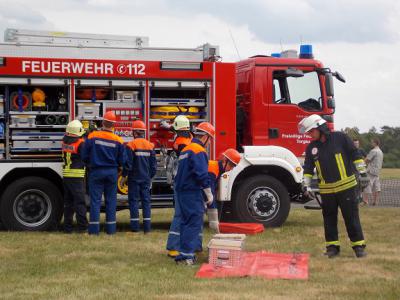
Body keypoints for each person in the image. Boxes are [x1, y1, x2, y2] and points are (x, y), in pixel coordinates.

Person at [298, 114, 368, 258]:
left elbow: (355, 154)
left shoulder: (340, 138)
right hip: (327, 191)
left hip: (347, 187)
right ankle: (332, 248)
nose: (309, 135)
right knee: (329, 219)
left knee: (351, 218)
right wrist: (307, 185)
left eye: (311, 131)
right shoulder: (311, 148)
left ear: (320, 128)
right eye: (308, 133)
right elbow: (308, 168)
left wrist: (363, 172)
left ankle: (358, 246)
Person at [174, 122, 215, 265]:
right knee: (193, 223)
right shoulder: (199, 150)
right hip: (192, 192)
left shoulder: (187, 149)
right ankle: (187, 257)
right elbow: (202, 175)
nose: (210, 143)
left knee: (185, 222)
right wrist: (209, 194)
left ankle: (184, 254)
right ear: (205, 137)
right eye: (210, 139)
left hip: (183, 191)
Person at [81, 111, 127, 235]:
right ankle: (111, 230)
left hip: (95, 171)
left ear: (102, 122)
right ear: (113, 125)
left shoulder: (92, 136)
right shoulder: (119, 140)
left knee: (95, 201)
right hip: (112, 173)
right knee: (111, 201)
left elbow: (84, 155)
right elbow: (123, 160)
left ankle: (94, 231)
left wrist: (89, 164)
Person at [164, 115, 194, 257]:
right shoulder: (190, 138)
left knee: (179, 214)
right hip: (188, 182)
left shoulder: (179, 142)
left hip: (180, 182)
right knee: (187, 214)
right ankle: (182, 246)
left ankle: (174, 247)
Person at [122, 120, 157, 233]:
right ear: (143, 132)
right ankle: (147, 228)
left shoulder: (131, 145)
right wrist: (149, 176)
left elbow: (128, 164)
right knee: (146, 202)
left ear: (134, 132)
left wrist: (124, 176)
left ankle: (135, 228)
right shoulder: (150, 145)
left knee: (134, 201)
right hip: (145, 178)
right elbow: (153, 166)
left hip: (134, 178)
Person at [206, 148, 241, 233]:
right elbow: (210, 193)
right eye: (231, 165)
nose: (232, 169)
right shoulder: (213, 169)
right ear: (225, 161)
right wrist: (214, 219)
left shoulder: (218, 169)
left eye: (234, 166)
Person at [62, 120, 88, 233]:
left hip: (66, 176)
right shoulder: (80, 143)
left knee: (68, 203)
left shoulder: (64, 141)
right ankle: (82, 228)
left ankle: (67, 228)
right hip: (77, 177)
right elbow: (86, 157)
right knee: (80, 203)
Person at [363, 138, 384, 206]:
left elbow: (367, 160)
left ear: (375, 143)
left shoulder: (373, 151)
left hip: (371, 171)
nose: (371, 143)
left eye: (372, 142)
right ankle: (375, 202)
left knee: (367, 186)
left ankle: (365, 201)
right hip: (377, 171)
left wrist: (360, 164)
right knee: (377, 187)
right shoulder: (381, 151)